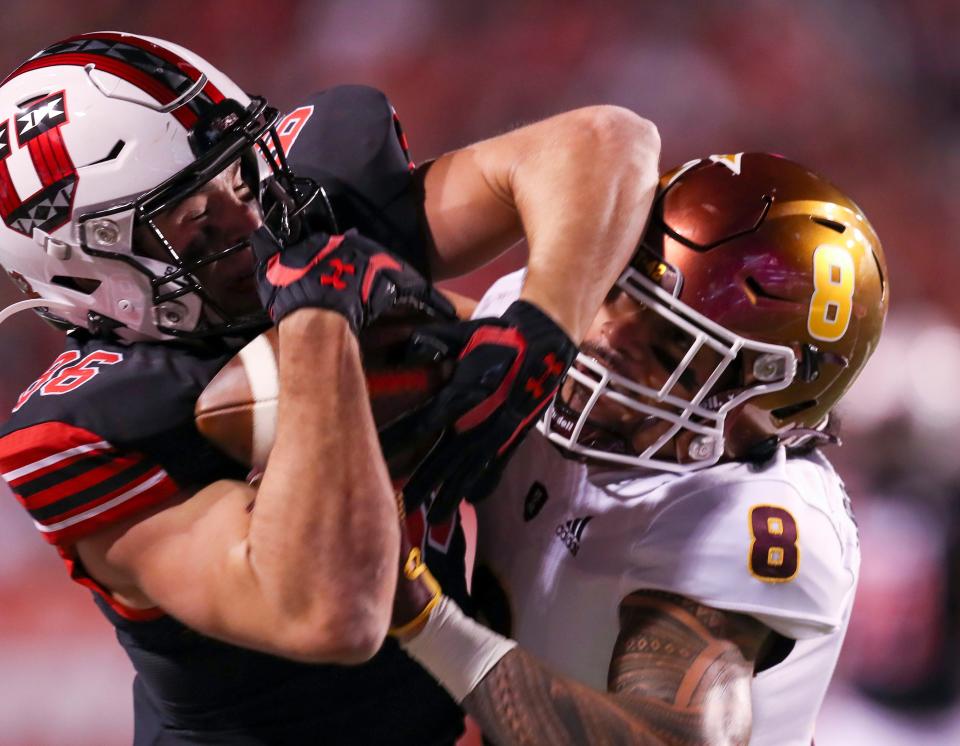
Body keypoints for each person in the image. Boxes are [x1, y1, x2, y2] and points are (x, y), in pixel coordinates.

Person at [0, 31, 661, 745]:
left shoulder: (302, 207)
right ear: (77, 267)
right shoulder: (92, 429)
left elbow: (606, 141)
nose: (249, 218)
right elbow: (332, 615)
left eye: (239, 172)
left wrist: (543, 326)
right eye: (193, 216)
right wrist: (319, 326)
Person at [393, 152, 889, 745]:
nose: (607, 336)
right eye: (616, 290)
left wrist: (422, 619)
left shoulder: (749, 517)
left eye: (671, 342)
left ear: (769, 399)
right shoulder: (557, 351)